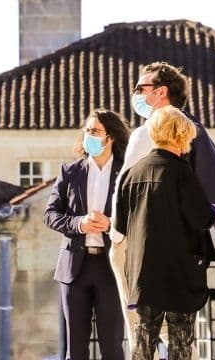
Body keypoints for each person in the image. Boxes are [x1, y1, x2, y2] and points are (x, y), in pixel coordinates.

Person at [112, 61, 215, 344]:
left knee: (141, 329)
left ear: (160, 91)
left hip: (138, 240)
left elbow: (123, 187)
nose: (136, 94)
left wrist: (116, 236)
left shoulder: (145, 133)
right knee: (178, 333)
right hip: (181, 243)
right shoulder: (191, 131)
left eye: (140, 88)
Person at [114, 106, 215, 360]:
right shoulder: (181, 172)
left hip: (143, 270)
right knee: (180, 341)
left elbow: (121, 225)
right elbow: (200, 218)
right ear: (180, 136)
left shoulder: (132, 173)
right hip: (179, 270)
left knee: (143, 340)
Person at [44, 109, 131, 360]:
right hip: (74, 269)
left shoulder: (127, 173)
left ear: (110, 137)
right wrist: (79, 223)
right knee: (75, 350)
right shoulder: (70, 172)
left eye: (95, 131)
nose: (88, 135)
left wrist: (111, 224)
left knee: (112, 348)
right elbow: (50, 214)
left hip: (111, 267)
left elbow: (139, 218)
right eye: (87, 130)